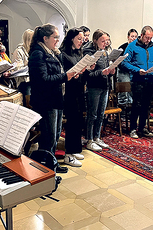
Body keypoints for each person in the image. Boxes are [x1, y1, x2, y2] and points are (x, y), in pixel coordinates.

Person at [28, 23, 76, 173]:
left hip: (56, 98)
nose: (57, 40)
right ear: (45, 38)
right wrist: (64, 76)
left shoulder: (52, 52)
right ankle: (46, 166)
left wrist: (70, 74)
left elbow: (58, 72)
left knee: (55, 134)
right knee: (48, 135)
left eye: (58, 37)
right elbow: (42, 79)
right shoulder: (38, 53)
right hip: (46, 101)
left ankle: (52, 163)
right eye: (55, 37)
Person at [121, 25, 153, 139]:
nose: (149, 40)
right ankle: (133, 128)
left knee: (146, 105)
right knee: (137, 105)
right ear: (142, 35)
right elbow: (124, 63)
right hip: (138, 80)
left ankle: (142, 127)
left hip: (150, 79)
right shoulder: (132, 46)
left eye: (150, 38)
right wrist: (137, 70)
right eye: (147, 38)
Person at [83, 29, 115, 151]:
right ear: (95, 40)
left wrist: (111, 72)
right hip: (94, 86)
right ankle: (89, 139)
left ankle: (97, 137)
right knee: (92, 114)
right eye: (102, 41)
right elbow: (88, 74)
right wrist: (101, 72)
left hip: (105, 86)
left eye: (106, 41)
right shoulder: (89, 52)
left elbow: (107, 69)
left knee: (101, 114)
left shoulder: (105, 52)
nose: (105, 43)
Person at [60, 28, 87, 166]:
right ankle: (68, 153)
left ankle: (75, 149)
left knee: (78, 121)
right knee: (71, 122)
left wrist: (87, 69)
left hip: (79, 90)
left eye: (82, 40)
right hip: (69, 92)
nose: (81, 42)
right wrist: (73, 74)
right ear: (71, 38)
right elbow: (63, 73)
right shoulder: (63, 54)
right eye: (79, 39)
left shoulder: (78, 53)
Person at [12, 29, 34, 108]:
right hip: (24, 82)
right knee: (27, 105)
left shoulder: (32, 50)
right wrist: (30, 64)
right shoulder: (19, 51)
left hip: (33, 80)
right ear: (28, 40)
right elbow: (18, 68)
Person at [117, 29, 138, 106]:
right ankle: (122, 111)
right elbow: (119, 62)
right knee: (124, 91)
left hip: (133, 71)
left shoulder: (138, 47)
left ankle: (130, 110)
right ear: (128, 37)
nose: (134, 38)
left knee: (133, 92)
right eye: (132, 36)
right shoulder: (122, 47)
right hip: (123, 71)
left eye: (136, 37)